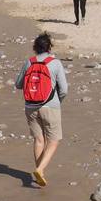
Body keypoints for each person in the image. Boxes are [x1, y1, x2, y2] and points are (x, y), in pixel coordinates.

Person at [15, 33, 68, 187]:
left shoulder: (29, 62)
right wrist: (58, 101)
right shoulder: (55, 63)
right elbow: (64, 89)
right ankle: (40, 169)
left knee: (39, 140)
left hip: (30, 106)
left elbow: (18, 84)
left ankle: (40, 171)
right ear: (49, 47)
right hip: (50, 106)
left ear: (35, 48)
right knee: (54, 140)